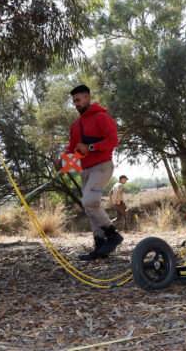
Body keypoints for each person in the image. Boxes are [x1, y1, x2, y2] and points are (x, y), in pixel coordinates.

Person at [64, 85, 123, 261]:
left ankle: (112, 235)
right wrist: (62, 162)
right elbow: (71, 148)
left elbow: (113, 141)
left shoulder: (102, 118)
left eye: (78, 100)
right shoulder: (76, 125)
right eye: (74, 101)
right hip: (86, 170)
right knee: (90, 207)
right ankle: (100, 246)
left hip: (102, 166)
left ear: (87, 98)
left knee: (89, 202)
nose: (76, 104)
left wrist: (90, 147)